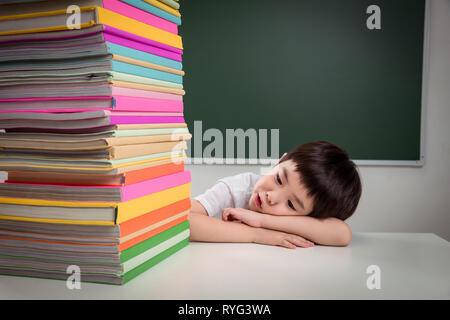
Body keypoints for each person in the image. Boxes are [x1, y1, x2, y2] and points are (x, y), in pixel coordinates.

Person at [188, 141, 362, 249]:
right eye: (279, 178)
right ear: (280, 161)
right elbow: (181, 221)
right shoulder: (238, 188)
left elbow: (342, 234)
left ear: (309, 217)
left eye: (291, 205)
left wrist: (262, 220)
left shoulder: (305, 222)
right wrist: (256, 235)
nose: (272, 196)